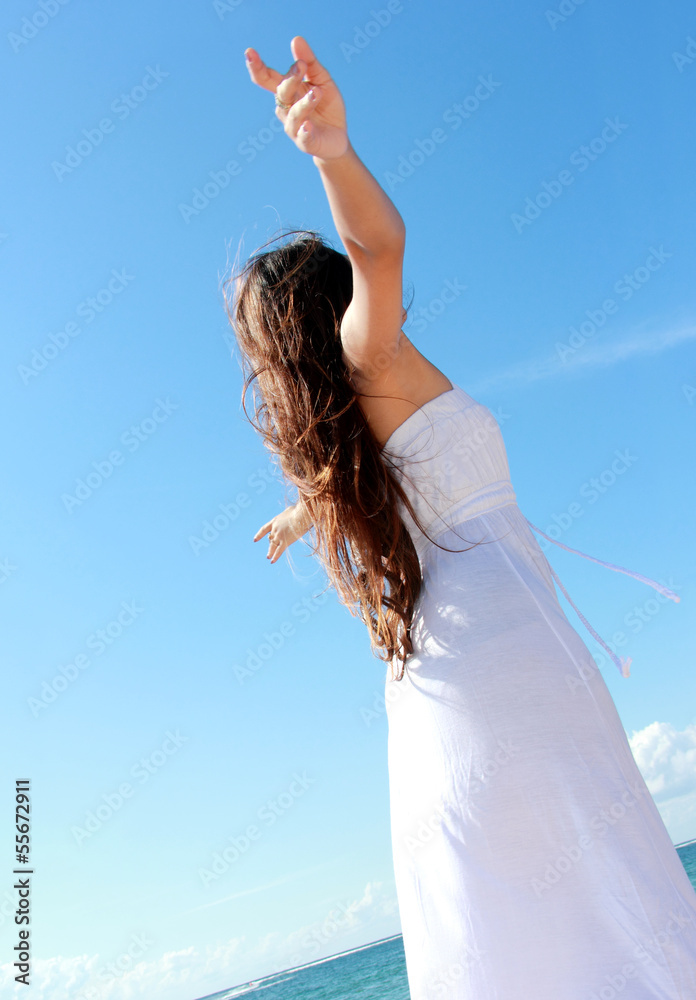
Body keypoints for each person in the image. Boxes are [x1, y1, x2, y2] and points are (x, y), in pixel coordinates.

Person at [227, 35, 696, 1000]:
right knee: (611, 924)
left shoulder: (352, 442)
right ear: (331, 307)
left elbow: (344, 479)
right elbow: (380, 247)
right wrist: (330, 152)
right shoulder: (374, 361)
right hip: (503, 665)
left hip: (438, 698)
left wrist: (298, 514)